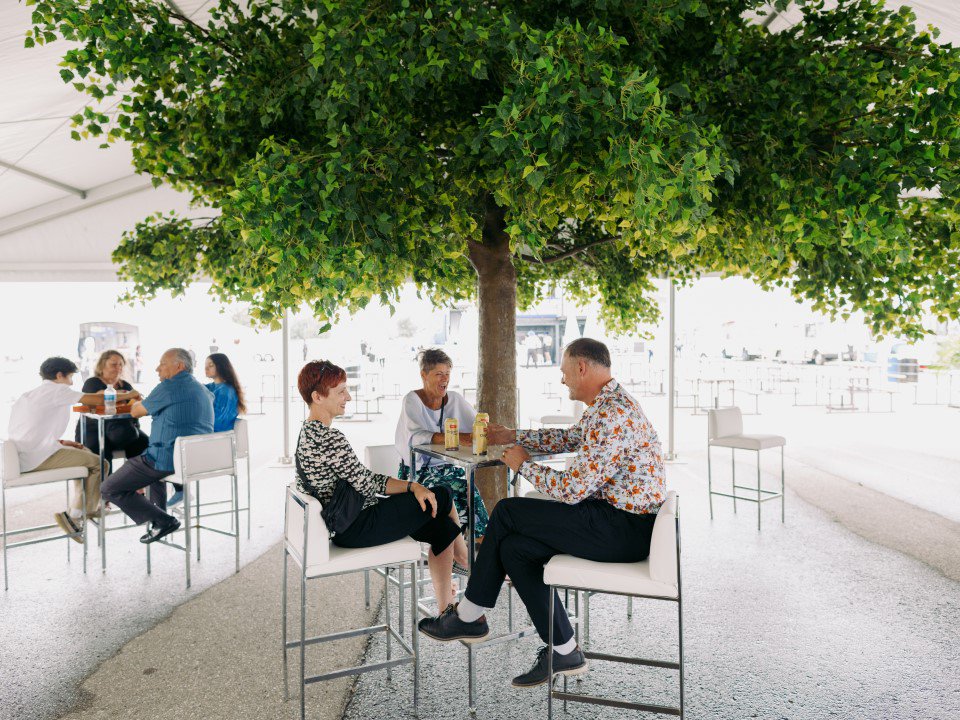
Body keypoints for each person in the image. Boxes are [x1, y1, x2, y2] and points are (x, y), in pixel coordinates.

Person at [418, 338, 666, 689]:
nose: (563, 380)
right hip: (614, 520)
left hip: (623, 529)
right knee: (514, 549)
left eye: (565, 372)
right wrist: (513, 436)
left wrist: (523, 465)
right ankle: (565, 650)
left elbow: (571, 490)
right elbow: (569, 439)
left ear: (582, 368)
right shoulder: (608, 404)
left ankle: (469, 615)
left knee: (507, 512)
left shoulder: (613, 414)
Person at [296, 360, 469, 608]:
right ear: (317, 397)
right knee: (441, 494)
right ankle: (465, 559)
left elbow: (361, 481)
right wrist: (412, 486)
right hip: (359, 525)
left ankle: (445, 610)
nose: (349, 396)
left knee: (441, 526)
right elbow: (367, 484)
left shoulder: (309, 432)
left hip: (350, 523)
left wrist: (412, 488)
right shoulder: (328, 438)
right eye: (341, 391)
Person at [7, 357, 139, 540]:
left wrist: (60, 442)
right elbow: (98, 399)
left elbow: (30, 428)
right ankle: (78, 515)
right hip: (35, 457)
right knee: (100, 464)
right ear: (59, 375)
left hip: (25, 452)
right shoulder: (58, 390)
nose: (72, 381)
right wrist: (129, 395)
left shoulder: (30, 394)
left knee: (84, 453)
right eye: (70, 376)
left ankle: (80, 509)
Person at [100, 348, 214, 544]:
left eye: (162, 364)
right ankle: (158, 519)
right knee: (154, 475)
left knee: (109, 488)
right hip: (194, 459)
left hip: (166, 459)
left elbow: (136, 412)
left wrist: (136, 400)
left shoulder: (169, 387)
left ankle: (163, 520)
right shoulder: (203, 389)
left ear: (179, 366)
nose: (156, 369)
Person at [394, 348, 489, 541]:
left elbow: (478, 425)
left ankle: (478, 552)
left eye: (447, 374)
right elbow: (417, 436)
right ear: (423, 375)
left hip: (448, 468)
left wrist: (493, 431)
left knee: (471, 493)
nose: (444, 379)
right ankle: (455, 548)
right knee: (450, 493)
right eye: (438, 374)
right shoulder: (412, 400)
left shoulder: (454, 399)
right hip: (417, 472)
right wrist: (455, 437)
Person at [168, 352, 246, 506]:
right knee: (167, 441)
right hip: (209, 438)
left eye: (211, 365)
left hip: (215, 443)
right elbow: (196, 388)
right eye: (205, 366)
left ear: (222, 367)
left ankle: (180, 491)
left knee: (167, 446)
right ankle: (179, 491)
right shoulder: (214, 387)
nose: (206, 368)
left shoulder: (225, 391)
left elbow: (216, 422)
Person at [74, 350, 149, 462]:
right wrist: (127, 395)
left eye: (120, 365)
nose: (118, 368)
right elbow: (100, 399)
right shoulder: (92, 383)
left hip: (122, 430)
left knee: (145, 444)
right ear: (102, 365)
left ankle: (140, 478)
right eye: (114, 364)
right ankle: (105, 479)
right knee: (100, 454)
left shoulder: (126, 385)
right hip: (95, 430)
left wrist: (138, 401)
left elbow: (136, 405)